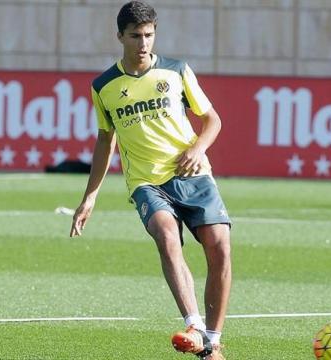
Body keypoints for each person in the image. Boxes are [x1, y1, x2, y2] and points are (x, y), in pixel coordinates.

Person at [69, 1, 231, 359]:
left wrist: (198, 148)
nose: (143, 43)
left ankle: (212, 341)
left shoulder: (176, 71)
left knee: (219, 245)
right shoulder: (104, 86)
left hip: (193, 174)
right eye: (135, 36)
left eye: (149, 35)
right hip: (147, 182)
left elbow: (213, 120)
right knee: (165, 235)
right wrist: (90, 196)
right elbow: (104, 140)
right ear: (120, 37)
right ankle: (193, 324)